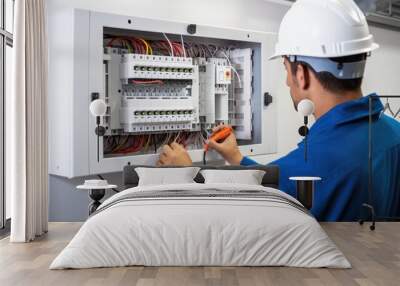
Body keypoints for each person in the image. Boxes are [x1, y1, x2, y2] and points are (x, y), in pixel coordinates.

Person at [157, 0, 400, 221]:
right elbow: (274, 180)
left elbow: (228, 219)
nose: (286, 81)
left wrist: (188, 174)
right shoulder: (394, 133)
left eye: (286, 68)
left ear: (302, 74)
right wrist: (237, 158)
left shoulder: (308, 168)